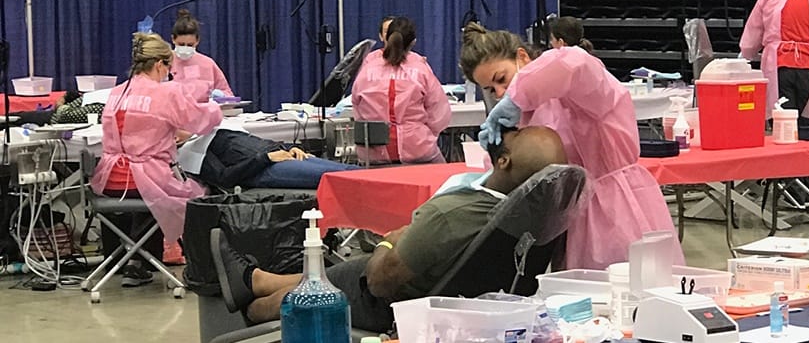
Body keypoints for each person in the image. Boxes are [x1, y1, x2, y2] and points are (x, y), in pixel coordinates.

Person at [211, 126, 568, 332]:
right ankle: (255, 280)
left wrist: (387, 243)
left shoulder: (452, 213)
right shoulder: (541, 216)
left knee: (319, 289)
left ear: (503, 159)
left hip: (398, 302)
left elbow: (382, 281)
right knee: (344, 269)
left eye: (514, 135)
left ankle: (248, 320)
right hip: (462, 295)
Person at [461, 22, 681, 270]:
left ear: (522, 56)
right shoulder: (524, 113)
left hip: (616, 213)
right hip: (566, 223)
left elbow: (573, 61)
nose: (500, 93)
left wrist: (518, 95)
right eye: (491, 90)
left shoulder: (580, 88)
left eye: (501, 79)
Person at [90, 32, 223, 286]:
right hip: (143, 179)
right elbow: (197, 120)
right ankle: (202, 266)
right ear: (160, 64)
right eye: (169, 68)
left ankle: (135, 260)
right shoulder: (166, 92)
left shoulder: (116, 92)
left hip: (110, 180)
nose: (169, 74)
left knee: (156, 189)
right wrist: (216, 108)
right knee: (200, 195)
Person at [351, 17, 451, 164]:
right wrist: (422, 132)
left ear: (386, 37)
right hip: (417, 150)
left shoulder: (368, 68)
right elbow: (439, 114)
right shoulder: (420, 69)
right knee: (444, 177)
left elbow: (357, 108)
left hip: (373, 154)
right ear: (413, 42)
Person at [192, 129, 358, 190]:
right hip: (264, 170)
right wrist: (266, 158)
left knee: (348, 170)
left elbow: (257, 143)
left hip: (279, 154)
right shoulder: (191, 151)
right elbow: (225, 178)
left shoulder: (216, 128)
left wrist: (289, 148)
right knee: (338, 176)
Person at [169, 8, 234, 102]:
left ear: (197, 40)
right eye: (181, 44)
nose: (185, 48)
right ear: (173, 39)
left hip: (203, 113)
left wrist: (221, 96)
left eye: (190, 45)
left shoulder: (208, 63)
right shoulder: (164, 62)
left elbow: (229, 95)